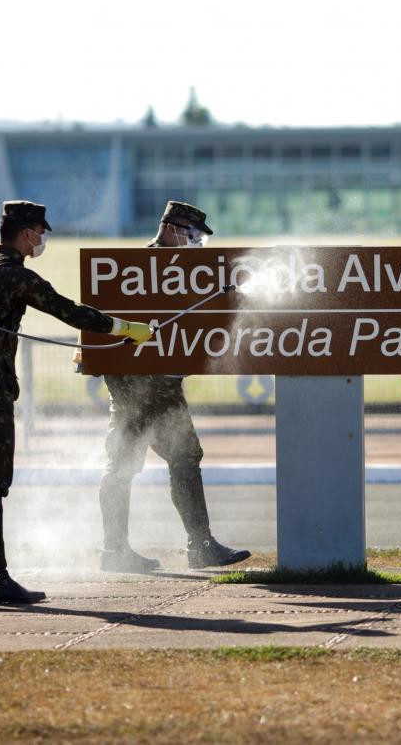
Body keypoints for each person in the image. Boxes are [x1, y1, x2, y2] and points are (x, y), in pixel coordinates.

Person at [0, 200, 154, 605]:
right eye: (40, 232)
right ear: (25, 234)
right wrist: (125, 329)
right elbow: (70, 312)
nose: (42, 240)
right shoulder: (14, 275)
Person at [98, 201, 250, 573]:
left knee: (160, 462)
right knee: (135, 465)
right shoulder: (138, 271)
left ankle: (130, 550)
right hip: (139, 388)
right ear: (170, 229)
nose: (197, 243)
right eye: (192, 234)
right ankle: (187, 547)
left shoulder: (183, 272)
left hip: (160, 386)